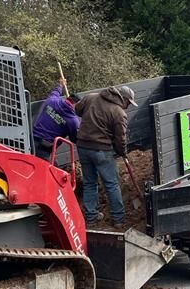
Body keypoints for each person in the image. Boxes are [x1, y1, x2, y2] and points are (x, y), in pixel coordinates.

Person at [75, 85, 137, 227]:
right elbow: (120, 138)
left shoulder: (91, 97)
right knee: (112, 184)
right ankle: (118, 219)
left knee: (89, 183)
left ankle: (91, 217)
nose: (127, 106)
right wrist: (122, 152)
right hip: (101, 150)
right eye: (128, 103)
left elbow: (77, 109)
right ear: (123, 99)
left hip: (83, 147)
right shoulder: (119, 113)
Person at [32, 78, 81, 160]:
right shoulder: (73, 121)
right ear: (76, 105)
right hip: (45, 147)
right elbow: (74, 138)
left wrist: (60, 85)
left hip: (32, 138)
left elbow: (55, 92)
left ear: (67, 99)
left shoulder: (52, 100)